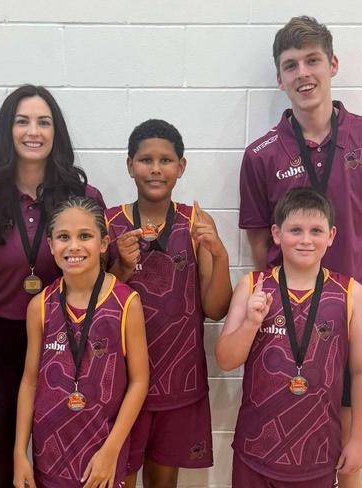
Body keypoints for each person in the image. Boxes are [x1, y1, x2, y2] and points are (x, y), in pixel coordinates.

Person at [238, 16, 362, 487]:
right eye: (291, 65)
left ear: (332, 64)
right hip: (284, 324)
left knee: (348, 452)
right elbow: (259, 244)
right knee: (287, 440)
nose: (303, 73)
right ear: (279, 78)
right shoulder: (260, 154)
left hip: (353, 316)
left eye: (312, 60)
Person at [0, 85, 106, 487]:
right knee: (3, 467)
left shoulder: (82, 197)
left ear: (56, 131)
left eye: (43, 121)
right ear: (8, 130)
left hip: (66, 340)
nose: (32, 131)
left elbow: (98, 280)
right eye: (22, 121)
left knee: (64, 460)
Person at [218, 187, 362, 486]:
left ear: (331, 236)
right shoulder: (253, 286)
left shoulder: (351, 293)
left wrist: (358, 440)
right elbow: (226, 360)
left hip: (317, 452)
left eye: (316, 230)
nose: (305, 239)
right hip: (255, 451)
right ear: (277, 234)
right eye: (295, 230)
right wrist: (252, 322)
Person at [105, 119, 232, 488]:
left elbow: (215, 308)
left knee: (164, 483)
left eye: (166, 160)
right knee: (120, 478)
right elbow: (96, 303)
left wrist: (220, 255)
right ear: (130, 166)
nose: (156, 168)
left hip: (177, 379)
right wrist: (121, 267)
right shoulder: (111, 224)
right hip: (121, 381)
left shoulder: (196, 223)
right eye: (146, 160)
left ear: (181, 166)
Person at [13, 196, 149, 487]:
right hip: (48, 454)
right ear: (50, 245)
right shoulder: (39, 306)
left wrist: (111, 450)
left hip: (102, 456)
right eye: (64, 237)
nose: (73, 246)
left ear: (103, 243)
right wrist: (19, 453)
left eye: (84, 236)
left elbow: (139, 382)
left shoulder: (126, 303)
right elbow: (30, 382)